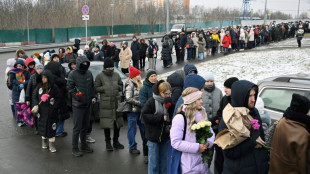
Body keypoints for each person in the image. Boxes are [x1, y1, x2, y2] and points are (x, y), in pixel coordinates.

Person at [218, 80, 269, 174]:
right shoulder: (229, 118)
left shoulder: (254, 112)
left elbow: (261, 139)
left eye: (254, 95)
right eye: (249, 96)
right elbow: (229, 153)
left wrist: (265, 160)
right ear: (240, 97)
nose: (253, 99)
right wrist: (251, 141)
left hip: (258, 167)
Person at [170, 87, 215, 174]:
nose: (201, 101)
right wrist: (197, 147)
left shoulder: (202, 114)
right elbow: (175, 142)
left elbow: (210, 132)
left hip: (203, 163)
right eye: (199, 99)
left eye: (201, 98)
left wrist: (208, 143)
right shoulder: (180, 118)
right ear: (191, 101)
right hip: (188, 166)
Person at [270, 94, 310, 174]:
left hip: (275, 169)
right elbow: (303, 165)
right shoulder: (303, 134)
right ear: (304, 111)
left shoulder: (281, 122)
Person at [142, 80, 174, 174]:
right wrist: (160, 118)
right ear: (160, 92)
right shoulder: (151, 102)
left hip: (164, 137)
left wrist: (170, 105)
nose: (168, 95)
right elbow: (145, 116)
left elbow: (172, 115)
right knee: (154, 164)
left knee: (164, 162)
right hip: (153, 137)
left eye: (169, 93)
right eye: (166, 94)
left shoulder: (168, 100)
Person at [67, 56, 96, 157]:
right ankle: (74, 148)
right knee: (77, 127)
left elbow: (92, 87)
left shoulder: (89, 73)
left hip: (87, 104)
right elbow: (69, 88)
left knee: (85, 126)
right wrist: (77, 96)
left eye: (86, 63)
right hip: (78, 105)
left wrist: (94, 96)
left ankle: (84, 145)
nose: (85, 65)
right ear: (79, 64)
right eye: (83, 63)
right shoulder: (73, 74)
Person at [94, 58, 124, 151]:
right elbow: (96, 87)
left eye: (112, 67)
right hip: (106, 103)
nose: (111, 69)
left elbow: (120, 85)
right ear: (105, 67)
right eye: (109, 67)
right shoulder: (100, 76)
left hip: (116, 102)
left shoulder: (116, 75)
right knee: (106, 123)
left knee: (117, 123)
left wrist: (117, 87)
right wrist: (105, 88)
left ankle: (116, 141)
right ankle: (108, 143)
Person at [213, 77, 239, 174]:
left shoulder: (238, 101)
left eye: (228, 87)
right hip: (221, 135)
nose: (225, 90)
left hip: (232, 139)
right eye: (224, 87)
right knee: (219, 162)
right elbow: (220, 113)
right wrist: (214, 121)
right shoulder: (224, 98)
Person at [33, 70, 60, 153]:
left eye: (45, 78)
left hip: (51, 112)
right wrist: (36, 104)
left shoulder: (54, 87)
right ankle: (44, 142)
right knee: (42, 126)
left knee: (51, 128)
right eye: (42, 78)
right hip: (42, 111)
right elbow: (34, 96)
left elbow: (59, 98)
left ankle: (51, 145)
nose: (43, 79)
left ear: (49, 78)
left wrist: (54, 107)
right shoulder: (39, 87)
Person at [139, 69, 157, 163]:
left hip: (157, 116)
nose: (154, 78)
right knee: (146, 137)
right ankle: (146, 155)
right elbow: (143, 103)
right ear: (148, 78)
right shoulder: (144, 88)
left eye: (155, 76)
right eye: (152, 76)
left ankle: (155, 154)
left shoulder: (159, 87)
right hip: (147, 117)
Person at [125, 66, 144, 155]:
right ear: (133, 76)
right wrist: (140, 103)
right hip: (132, 112)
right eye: (137, 75)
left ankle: (146, 146)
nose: (139, 76)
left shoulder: (139, 83)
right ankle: (132, 147)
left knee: (143, 129)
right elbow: (128, 98)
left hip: (140, 111)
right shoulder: (130, 84)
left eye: (139, 75)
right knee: (132, 130)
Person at [10, 59, 31, 127]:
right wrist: (19, 83)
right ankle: (19, 120)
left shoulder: (26, 72)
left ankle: (25, 119)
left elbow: (29, 80)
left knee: (24, 106)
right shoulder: (13, 72)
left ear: (23, 66)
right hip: (16, 92)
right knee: (17, 107)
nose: (19, 67)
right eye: (18, 66)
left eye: (20, 66)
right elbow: (12, 80)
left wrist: (24, 84)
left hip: (24, 92)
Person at [26, 63, 44, 134]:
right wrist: (27, 98)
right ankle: (37, 128)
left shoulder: (44, 76)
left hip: (42, 98)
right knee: (35, 114)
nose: (39, 70)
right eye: (38, 69)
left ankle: (42, 127)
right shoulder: (32, 76)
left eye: (41, 68)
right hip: (34, 98)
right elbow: (29, 87)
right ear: (36, 69)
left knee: (42, 113)